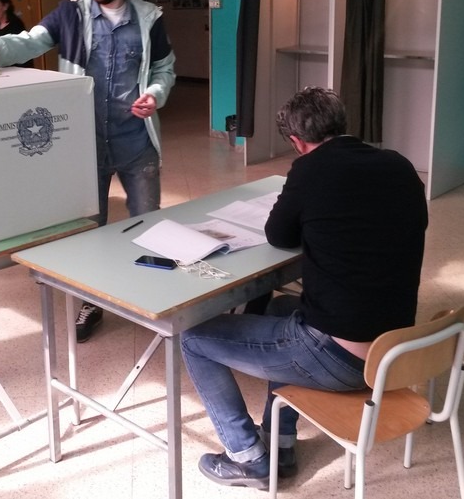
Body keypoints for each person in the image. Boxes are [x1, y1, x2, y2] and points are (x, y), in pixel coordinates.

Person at [180, 87, 428, 490]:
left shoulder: (310, 170)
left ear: (297, 142)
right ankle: (281, 442)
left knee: (193, 338)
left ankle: (246, 457)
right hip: (394, 350)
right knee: (279, 309)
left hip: (342, 359)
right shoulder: (399, 165)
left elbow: (279, 234)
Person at [0, 0, 176, 343]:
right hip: (84, 145)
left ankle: (150, 297)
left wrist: (155, 94)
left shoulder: (149, 18)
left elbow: (164, 68)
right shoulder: (71, 14)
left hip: (136, 142)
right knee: (89, 231)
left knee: (147, 223)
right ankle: (90, 301)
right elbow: (30, 40)